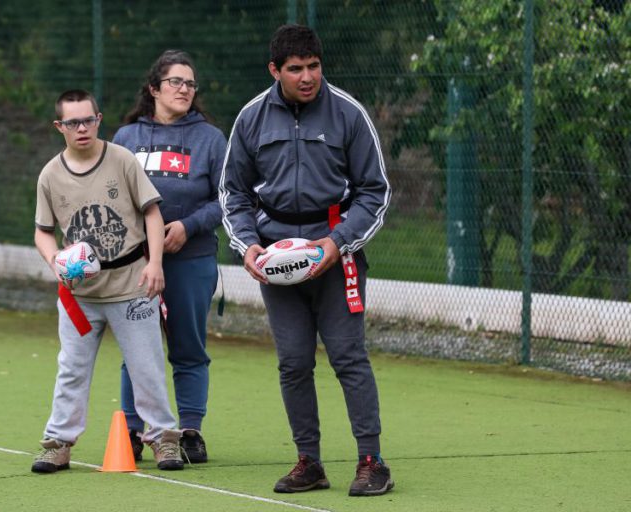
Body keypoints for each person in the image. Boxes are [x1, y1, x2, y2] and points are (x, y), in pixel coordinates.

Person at [219, 25, 394, 496]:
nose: (307, 77)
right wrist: (249, 246)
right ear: (275, 70)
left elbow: (374, 193)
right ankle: (308, 463)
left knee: (348, 358)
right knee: (293, 363)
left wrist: (335, 245)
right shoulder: (252, 118)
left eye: (313, 66)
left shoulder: (348, 114)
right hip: (277, 262)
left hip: (337, 257)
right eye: (295, 69)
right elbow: (233, 192)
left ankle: (372, 461)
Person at [32, 89, 184, 472]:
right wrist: (55, 261)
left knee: (146, 366)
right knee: (71, 368)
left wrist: (155, 264)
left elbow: (152, 214)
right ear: (59, 127)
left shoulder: (122, 160)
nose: (81, 128)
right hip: (80, 295)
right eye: (72, 122)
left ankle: (164, 439)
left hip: (132, 285)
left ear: (98, 120)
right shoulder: (50, 175)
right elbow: (42, 231)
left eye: (88, 120)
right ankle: (58, 442)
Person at [112, 50, 226, 463]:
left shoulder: (211, 140)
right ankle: (131, 428)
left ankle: (190, 431)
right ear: (154, 88)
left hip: (192, 257)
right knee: (136, 348)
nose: (184, 89)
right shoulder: (125, 139)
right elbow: (113, 196)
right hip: (136, 263)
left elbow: (227, 202)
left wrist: (188, 226)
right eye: (175, 82)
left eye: (190, 84)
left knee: (188, 347)